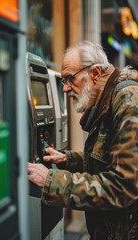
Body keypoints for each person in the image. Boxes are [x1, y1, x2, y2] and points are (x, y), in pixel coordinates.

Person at [28, 40, 138, 240]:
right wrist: (68, 159)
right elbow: (107, 160)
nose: (65, 89)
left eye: (70, 79)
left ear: (95, 74)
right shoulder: (108, 100)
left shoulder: (127, 101)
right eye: (63, 81)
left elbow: (122, 188)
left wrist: (51, 181)